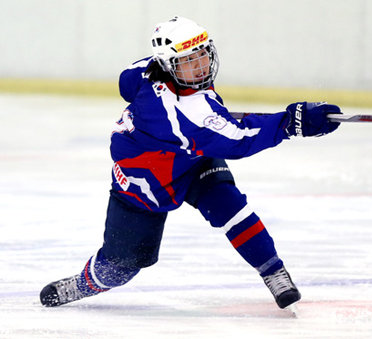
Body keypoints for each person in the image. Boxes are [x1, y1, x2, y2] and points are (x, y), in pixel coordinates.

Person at [39, 16, 341, 310]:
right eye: (188, 61)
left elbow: (126, 81)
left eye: (202, 55)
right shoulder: (185, 114)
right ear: (169, 66)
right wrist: (293, 122)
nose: (200, 66)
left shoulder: (147, 69)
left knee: (230, 208)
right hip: (147, 181)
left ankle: (273, 271)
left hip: (192, 158)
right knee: (121, 266)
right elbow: (239, 138)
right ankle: (85, 282)